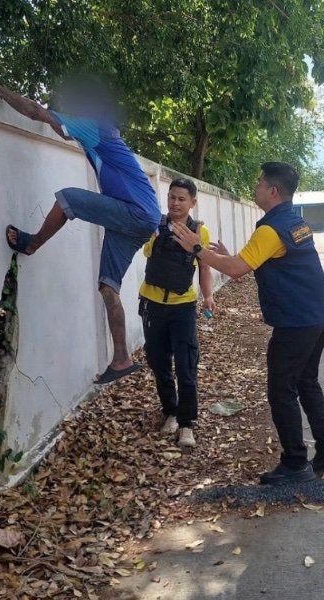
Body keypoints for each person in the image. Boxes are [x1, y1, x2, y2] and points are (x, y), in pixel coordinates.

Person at [0, 75, 161, 384]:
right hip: (139, 216)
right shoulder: (105, 134)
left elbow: (36, 112)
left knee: (68, 199)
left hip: (134, 212)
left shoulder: (94, 126)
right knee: (108, 287)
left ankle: (32, 243)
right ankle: (121, 359)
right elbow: (61, 129)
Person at [173, 162, 324, 485]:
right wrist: (226, 256)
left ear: (273, 191)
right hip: (317, 316)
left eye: (260, 183)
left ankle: (295, 462)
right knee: (306, 381)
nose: (255, 188)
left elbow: (236, 269)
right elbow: (251, 262)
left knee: (281, 390)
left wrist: (195, 247)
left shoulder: (271, 229)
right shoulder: (294, 222)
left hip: (296, 322)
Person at [139, 178, 215, 448]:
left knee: (186, 365)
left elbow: (204, 267)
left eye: (181, 199)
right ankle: (170, 411)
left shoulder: (199, 232)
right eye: (172, 197)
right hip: (152, 305)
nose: (175, 203)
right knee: (159, 362)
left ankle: (186, 424)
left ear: (193, 202)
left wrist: (208, 296)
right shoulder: (155, 225)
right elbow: (147, 252)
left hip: (182, 307)